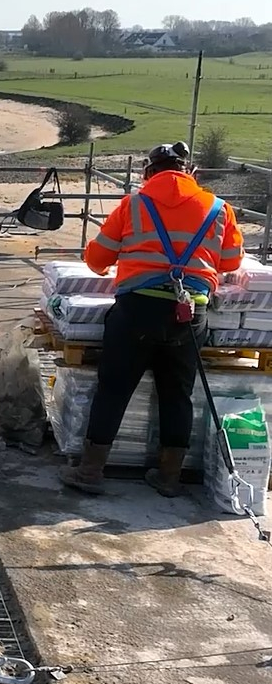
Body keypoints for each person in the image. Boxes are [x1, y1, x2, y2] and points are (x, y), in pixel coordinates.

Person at [61, 142, 244, 496]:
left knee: (114, 390)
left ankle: (90, 472)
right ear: (190, 172)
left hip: (136, 311)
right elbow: (232, 262)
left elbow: (97, 260)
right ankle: (169, 477)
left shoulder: (134, 205)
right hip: (189, 314)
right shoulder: (219, 209)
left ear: (148, 173)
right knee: (177, 395)